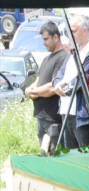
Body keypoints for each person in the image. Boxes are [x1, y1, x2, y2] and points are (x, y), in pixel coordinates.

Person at [53, 14, 89, 148]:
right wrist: (56, 84)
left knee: (85, 156)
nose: (70, 35)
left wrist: (64, 89)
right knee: (71, 156)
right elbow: (61, 72)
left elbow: (82, 78)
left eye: (73, 31)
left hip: (80, 115)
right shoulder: (74, 50)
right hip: (66, 111)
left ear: (84, 30)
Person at [25, 21, 66, 151]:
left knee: (53, 157)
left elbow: (53, 87)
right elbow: (38, 79)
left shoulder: (63, 57)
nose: (43, 43)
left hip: (53, 119)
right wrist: (28, 90)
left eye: (46, 39)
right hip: (41, 117)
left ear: (55, 37)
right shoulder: (46, 58)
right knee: (43, 156)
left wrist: (34, 92)